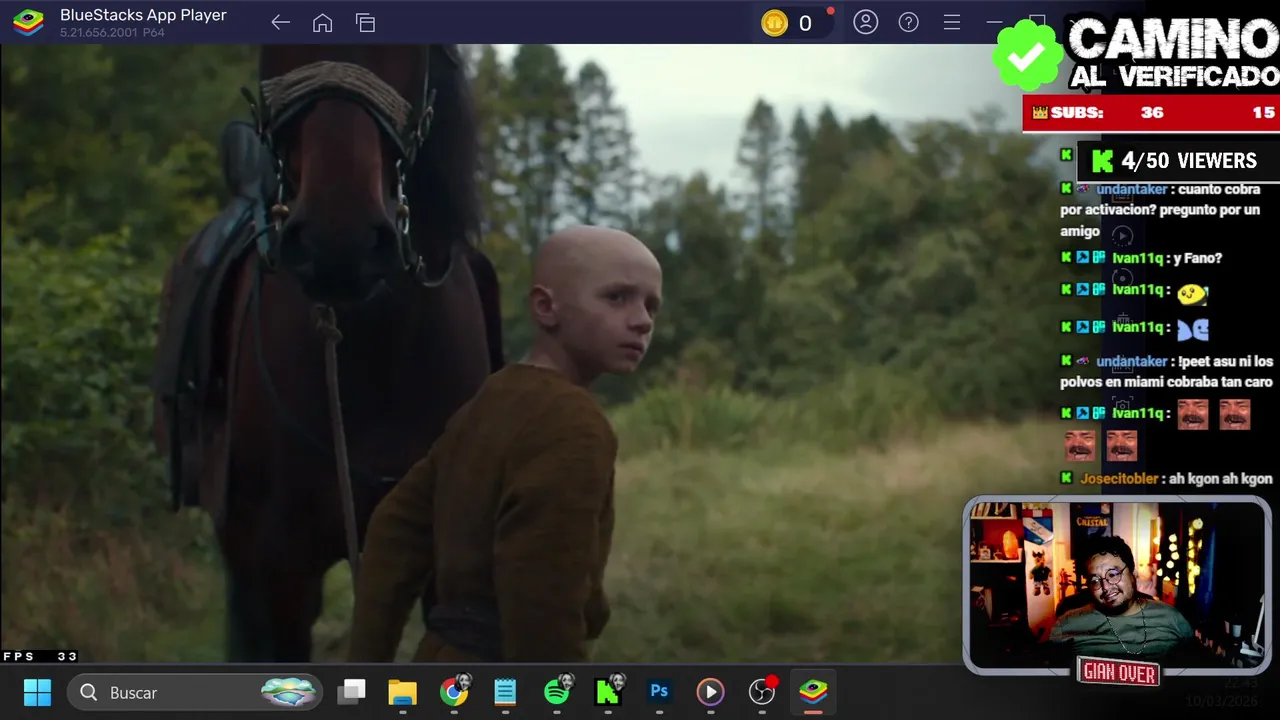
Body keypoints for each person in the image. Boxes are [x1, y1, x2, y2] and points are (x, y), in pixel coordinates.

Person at [347, 225, 662, 662]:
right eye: (617, 297)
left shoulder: (489, 400)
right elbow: (542, 600)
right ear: (546, 307)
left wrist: (364, 668)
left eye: (651, 305)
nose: (642, 320)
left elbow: (394, 529)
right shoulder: (573, 423)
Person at [1050, 536, 1196, 663]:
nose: (1106, 587)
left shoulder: (1171, 618)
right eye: (1095, 581)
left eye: (1113, 574)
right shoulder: (1066, 624)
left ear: (1133, 573)